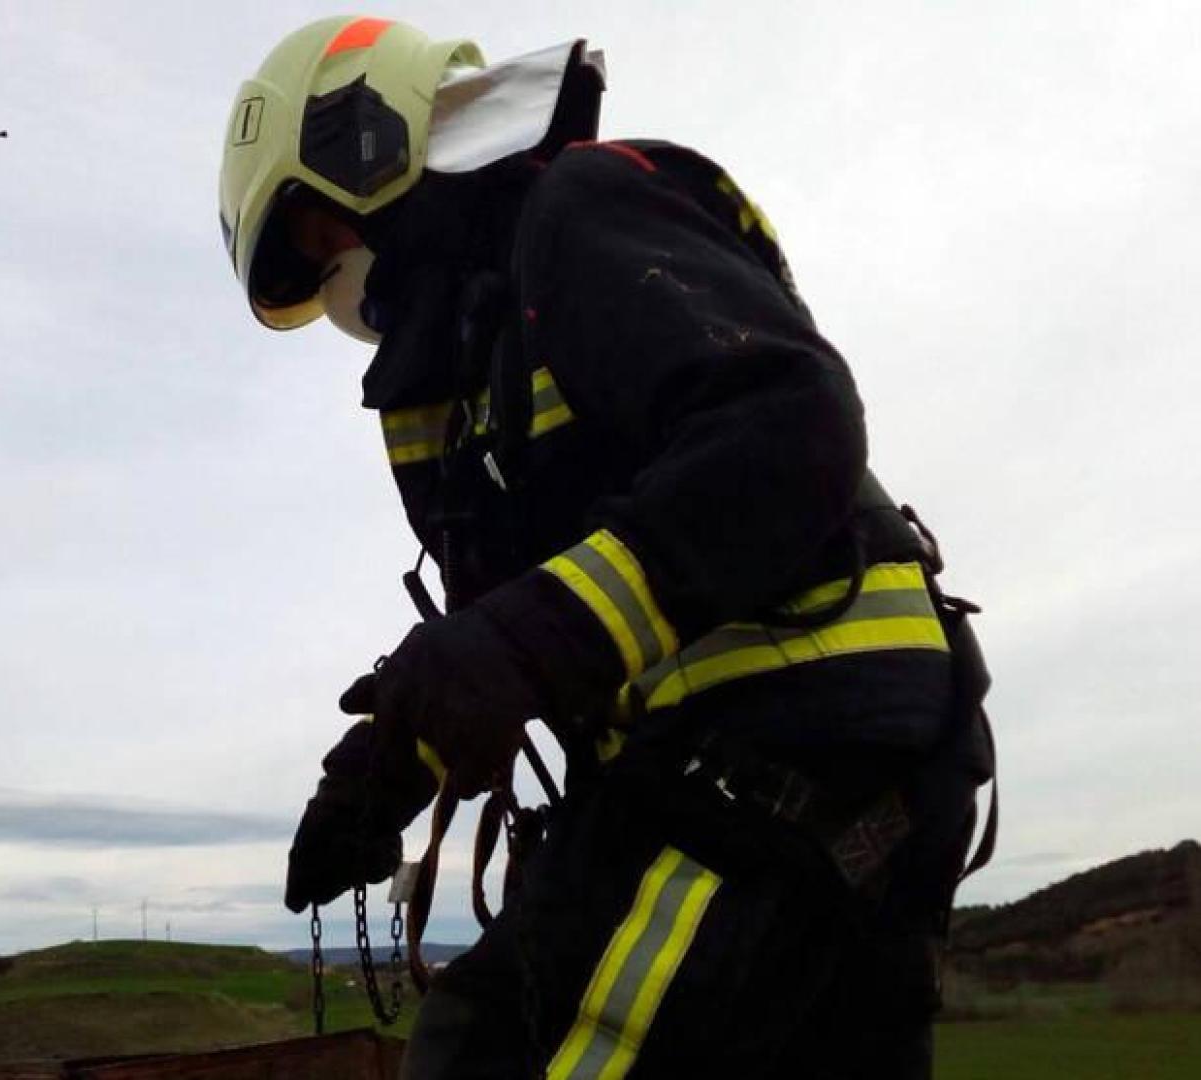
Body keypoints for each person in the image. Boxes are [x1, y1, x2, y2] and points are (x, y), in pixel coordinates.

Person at [217, 17, 995, 1079]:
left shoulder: (577, 211)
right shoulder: (483, 357)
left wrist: (517, 646)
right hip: (761, 773)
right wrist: (386, 767)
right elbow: (504, 642)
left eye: (315, 230)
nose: (335, 268)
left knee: (495, 1048)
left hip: (796, 747)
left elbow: (788, 427)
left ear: (371, 133)